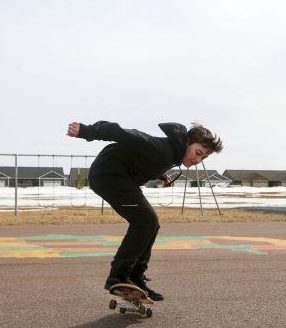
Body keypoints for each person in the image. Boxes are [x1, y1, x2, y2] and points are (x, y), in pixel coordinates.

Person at [67, 121, 223, 301]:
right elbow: (123, 133)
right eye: (198, 153)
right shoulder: (161, 149)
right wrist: (87, 131)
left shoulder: (171, 155)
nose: (197, 160)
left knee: (151, 224)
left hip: (117, 176)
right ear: (187, 142)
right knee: (146, 221)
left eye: (203, 158)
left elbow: (141, 159)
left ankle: (135, 277)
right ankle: (118, 276)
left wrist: (159, 174)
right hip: (109, 175)